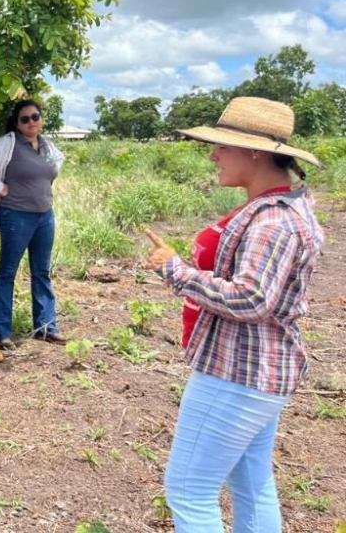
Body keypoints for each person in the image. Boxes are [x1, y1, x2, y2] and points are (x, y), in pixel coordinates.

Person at [144, 97, 325, 533]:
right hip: (259, 372)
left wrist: (175, 270)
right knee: (252, 482)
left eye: (222, 146)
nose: (213, 155)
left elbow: (250, 298)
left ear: (255, 152)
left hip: (238, 373)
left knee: (189, 490)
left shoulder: (274, 221)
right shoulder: (280, 207)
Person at [0, 99, 67, 346]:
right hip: (16, 215)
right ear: (17, 123)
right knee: (7, 273)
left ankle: (46, 326)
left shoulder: (46, 146)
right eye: (25, 119)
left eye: (35, 117)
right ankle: (0, 331)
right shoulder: (7, 144)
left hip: (45, 215)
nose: (31, 122)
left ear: (41, 119)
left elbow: (56, 166)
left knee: (42, 272)